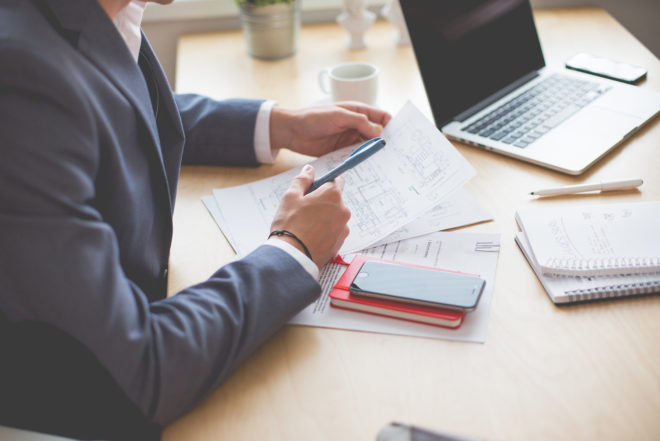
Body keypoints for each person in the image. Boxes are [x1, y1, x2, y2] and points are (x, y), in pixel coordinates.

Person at [0, 0, 391, 440]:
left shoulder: (86, 15)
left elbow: (108, 102)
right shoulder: (19, 79)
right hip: (74, 406)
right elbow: (145, 365)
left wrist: (278, 126)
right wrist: (292, 249)